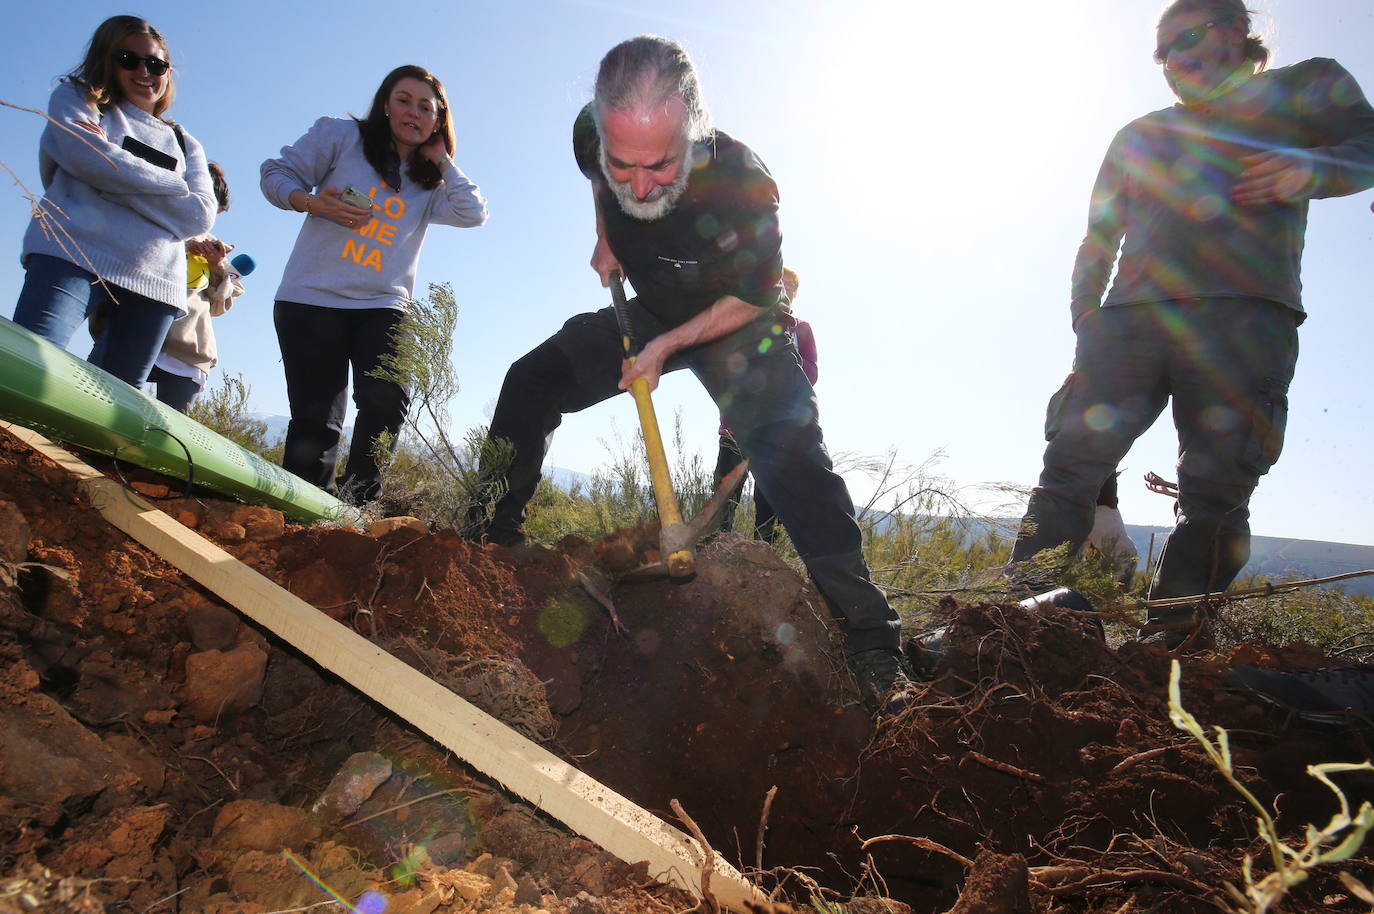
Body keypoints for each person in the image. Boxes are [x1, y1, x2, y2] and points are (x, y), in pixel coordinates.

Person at [470, 35, 913, 714]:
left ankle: (875, 640)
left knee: (793, 464)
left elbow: (758, 296)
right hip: (655, 307)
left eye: (660, 165)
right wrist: (607, 231)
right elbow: (600, 174)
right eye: (624, 167)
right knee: (531, 380)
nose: (639, 185)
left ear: (697, 133)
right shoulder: (596, 140)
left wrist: (669, 344)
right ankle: (487, 539)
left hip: (741, 324)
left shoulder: (745, 182)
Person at [1007, 0, 1374, 648]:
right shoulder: (1140, 135)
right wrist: (1086, 319)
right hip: (1128, 326)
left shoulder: (1306, 87)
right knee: (1070, 467)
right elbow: (1097, 236)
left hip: (1245, 320)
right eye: (1166, 49)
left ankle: (1166, 652)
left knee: (1215, 493)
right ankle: (1018, 627)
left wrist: (1313, 169)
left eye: (1192, 35)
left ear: (1239, 29)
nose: (1178, 57)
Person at [260, 65, 487, 504]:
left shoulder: (430, 180)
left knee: (386, 401)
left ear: (438, 120)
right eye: (403, 100)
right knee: (317, 420)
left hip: (383, 305)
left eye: (427, 107)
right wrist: (310, 202)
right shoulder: (341, 137)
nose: (413, 113)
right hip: (311, 299)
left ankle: (355, 508)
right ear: (385, 105)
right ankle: (303, 514)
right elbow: (276, 173)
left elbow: (473, 211)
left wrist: (442, 158)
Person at [10, 15, 216, 389]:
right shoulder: (79, 98)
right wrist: (173, 185)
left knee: (113, 407)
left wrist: (108, 175)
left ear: (168, 71)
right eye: (128, 59)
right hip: (69, 253)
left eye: (156, 64)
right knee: (26, 364)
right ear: (107, 59)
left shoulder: (186, 143)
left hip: (155, 282)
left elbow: (200, 215)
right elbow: (83, 155)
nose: (144, 72)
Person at [134, 163, 250, 412]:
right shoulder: (151, 223)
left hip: (187, 347)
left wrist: (217, 266)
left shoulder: (211, 245)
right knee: (104, 394)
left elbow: (219, 305)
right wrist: (182, 247)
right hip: (134, 329)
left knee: (169, 425)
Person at [713, 267, 816, 543]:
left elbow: (812, 374)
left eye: (794, 285)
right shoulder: (744, 323)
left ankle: (765, 556)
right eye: (782, 282)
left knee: (771, 496)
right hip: (737, 427)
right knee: (725, 493)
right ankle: (712, 551)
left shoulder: (801, 329)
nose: (788, 288)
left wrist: (786, 352)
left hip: (778, 430)